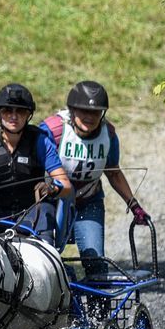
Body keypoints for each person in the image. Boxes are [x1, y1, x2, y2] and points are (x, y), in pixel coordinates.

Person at [41, 80, 149, 271]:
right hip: (50, 201)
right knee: (44, 257)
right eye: (84, 111)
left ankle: (97, 291)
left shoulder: (108, 135)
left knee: (96, 262)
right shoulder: (52, 131)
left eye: (96, 112)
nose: (89, 117)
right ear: (72, 110)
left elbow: (113, 173)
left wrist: (134, 206)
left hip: (88, 201)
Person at [0, 83, 72, 243]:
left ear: (28, 115)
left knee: (46, 234)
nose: (14, 116)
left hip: (35, 211)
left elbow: (66, 185)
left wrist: (52, 188)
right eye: (7, 111)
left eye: (21, 111)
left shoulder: (41, 141)